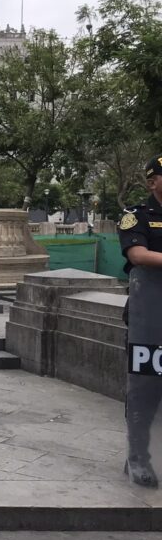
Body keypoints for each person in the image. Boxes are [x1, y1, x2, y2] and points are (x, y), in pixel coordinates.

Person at [118, 154, 162, 487]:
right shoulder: (137, 216)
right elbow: (138, 255)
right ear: (153, 182)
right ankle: (138, 457)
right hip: (150, 316)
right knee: (144, 387)